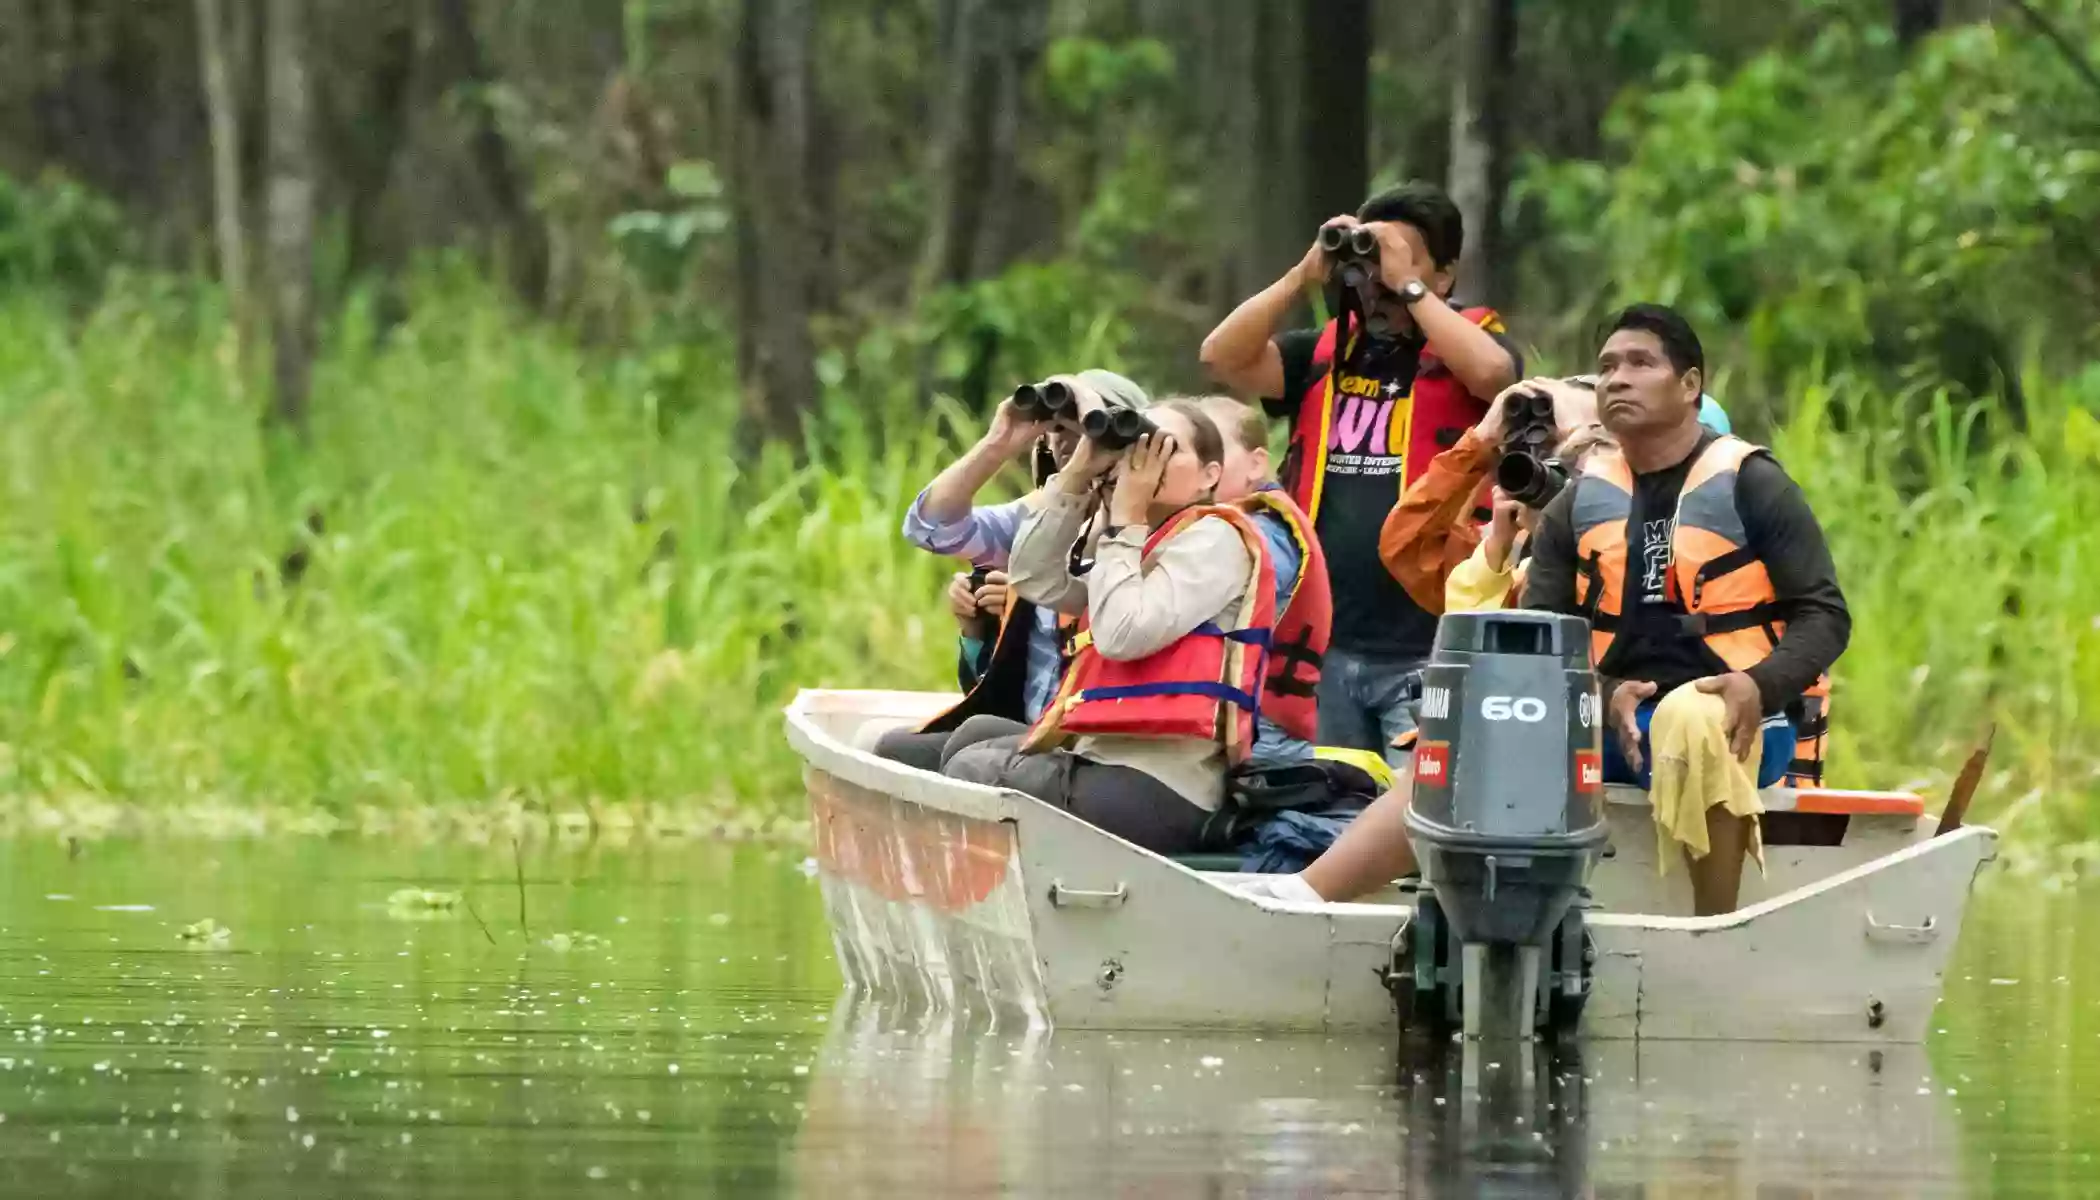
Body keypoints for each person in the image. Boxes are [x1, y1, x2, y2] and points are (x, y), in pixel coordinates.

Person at [1243, 305, 1847, 916]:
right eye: (1608, 366)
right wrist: (1604, 690)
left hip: (1742, 719)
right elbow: (1537, 639)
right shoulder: (1578, 501)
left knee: (1695, 717)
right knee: (1472, 730)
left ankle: (1717, 924)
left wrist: (1757, 684)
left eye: (1641, 363)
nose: (1618, 378)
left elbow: (1825, 613)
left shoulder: (1753, 481)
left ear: (1689, 386)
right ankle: (1309, 892)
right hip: (1612, 723)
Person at [1199, 181, 1522, 765]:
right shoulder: (1327, 352)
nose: (1379, 278)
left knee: (1418, 816)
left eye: (1399, 255)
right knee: (1329, 813)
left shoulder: (1469, 340)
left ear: (1444, 276)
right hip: (1323, 644)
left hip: (1428, 644)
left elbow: (1495, 375)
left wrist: (1410, 286)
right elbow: (1221, 356)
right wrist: (1304, 274)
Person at [943, 402, 1278, 856]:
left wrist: (1124, 520)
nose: (1146, 464)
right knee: (973, 734)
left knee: (971, 767)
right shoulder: (1145, 539)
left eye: (1166, 450)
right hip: (1106, 761)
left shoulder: (1216, 540)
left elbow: (1122, 633)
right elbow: (1034, 579)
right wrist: (1079, 472)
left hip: (1164, 788)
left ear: (1209, 475)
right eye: (1137, 448)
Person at [872, 370, 1149, 772]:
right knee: (894, 748)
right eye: (1058, 432)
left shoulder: (1145, 521)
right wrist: (998, 444)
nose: (1072, 444)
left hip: (1092, 733)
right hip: (1029, 724)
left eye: (1087, 429)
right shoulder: (1035, 517)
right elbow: (930, 528)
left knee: (968, 746)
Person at [1196, 394, 1329, 765]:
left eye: (1211, 449)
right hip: (1239, 721)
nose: (1198, 463)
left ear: (1256, 464)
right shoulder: (1215, 525)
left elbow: (1195, 597)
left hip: (1259, 732)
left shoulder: (1265, 532)